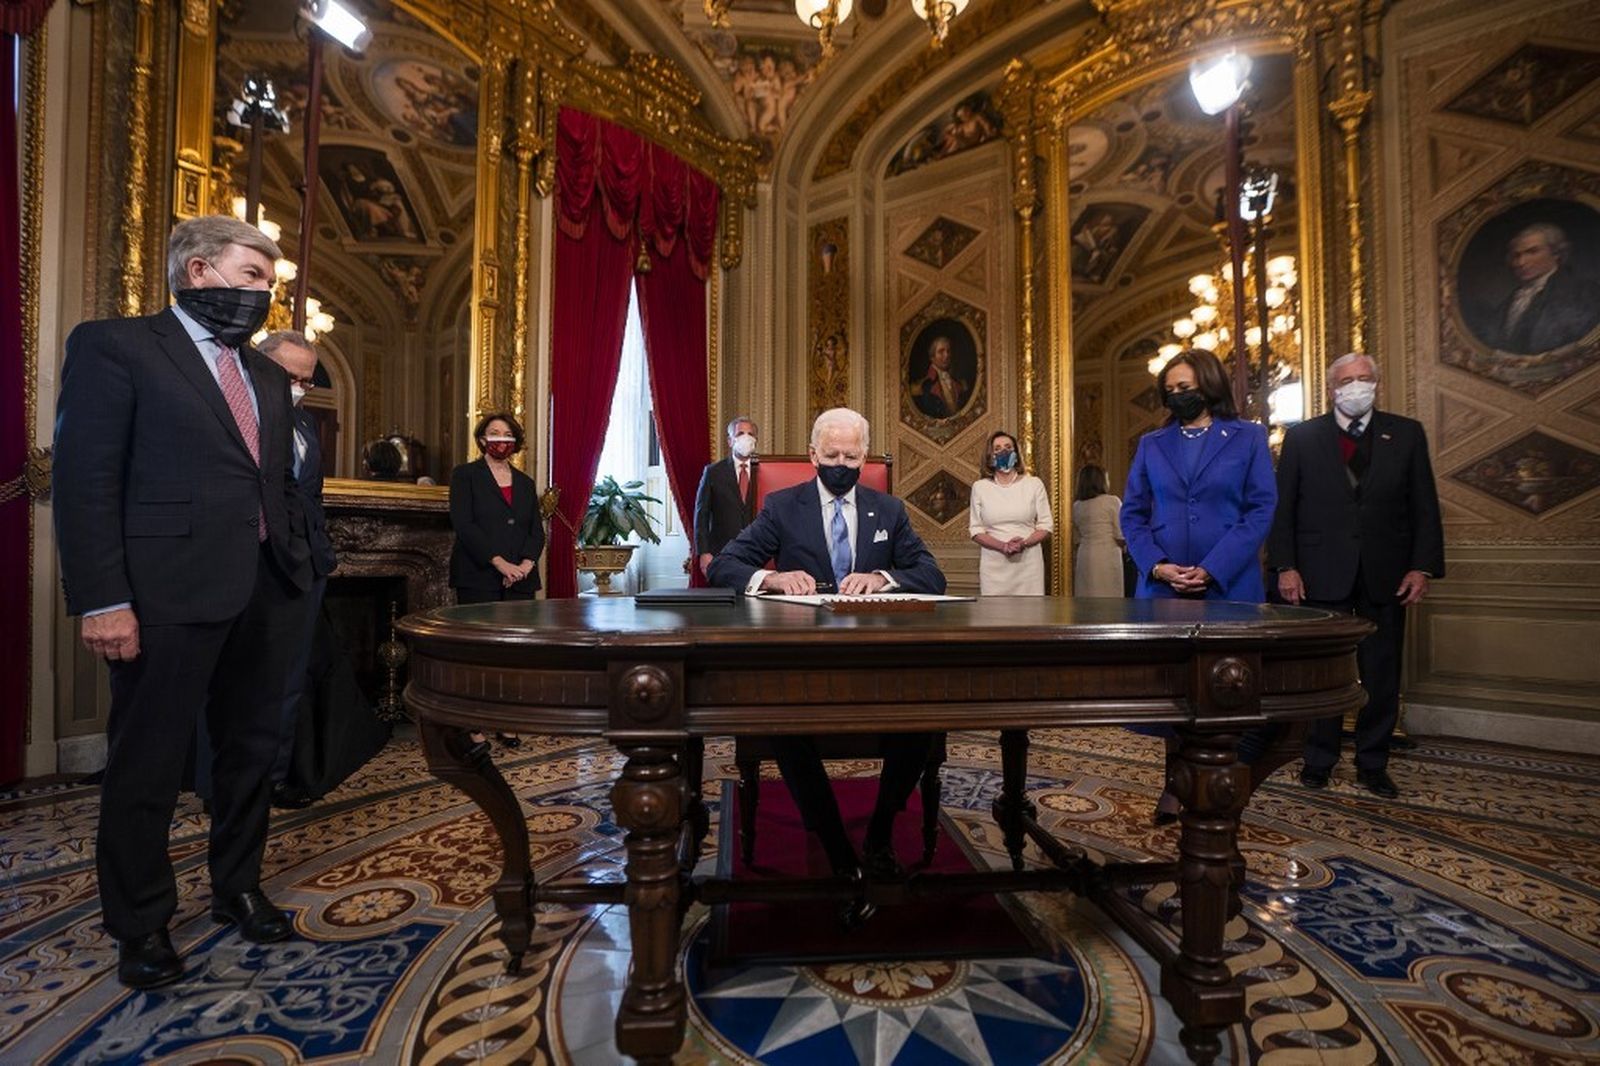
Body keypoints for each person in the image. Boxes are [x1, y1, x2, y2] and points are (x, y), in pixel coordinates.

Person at [53, 215, 313, 988]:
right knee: (150, 763)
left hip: (265, 589)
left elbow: (273, 481)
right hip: (164, 594)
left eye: (267, 283)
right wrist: (103, 599)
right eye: (250, 277)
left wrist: (295, 565)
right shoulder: (117, 347)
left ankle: (237, 886)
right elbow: (85, 481)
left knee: (249, 757)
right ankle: (140, 922)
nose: (261, 296)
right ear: (198, 271)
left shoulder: (266, 376)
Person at [707, 408, 945, 924]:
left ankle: (880, 834)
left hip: (879, 661)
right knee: (786, 726)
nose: (841, 464)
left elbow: (932, 574)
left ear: (866, 457)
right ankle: (840, 856)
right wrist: (769, 579)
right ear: (813, 456)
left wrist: (883, 577)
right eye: (832, 455)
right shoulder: (782, 507)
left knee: (925, 718)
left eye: (852, 456)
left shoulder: (889, 509)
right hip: (804, 662)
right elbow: (725, 564)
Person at [1269, 352, 1445, 799]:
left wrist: (1421, 566)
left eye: (1364, 378)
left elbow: (1424, 505)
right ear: (1332, 389)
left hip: (1386, 573)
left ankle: (1373, 762)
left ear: (1377, 384)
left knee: (1382, 674)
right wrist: (1285, 566)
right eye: (1347, 380)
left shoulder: (1406, 434)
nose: (1356, 385)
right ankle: (1318, 759)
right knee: (1324, 674)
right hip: (1318, 572)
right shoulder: (1303, 437)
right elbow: (1284, 507)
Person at [1121, 348, 1277, 822]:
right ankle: (1175, 784)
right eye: (1169, 390)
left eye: (1184, 388)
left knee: (1226, 689)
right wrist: (1157, 565)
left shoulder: (1248, 437)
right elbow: (1133, 513)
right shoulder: (1152, 444)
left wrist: (1213, 567)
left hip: (1228, 586)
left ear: (1207, 385)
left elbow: (1260, 509)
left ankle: (1223, 781)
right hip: (1164, 587)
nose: (1176, 396)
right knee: (1171, 693)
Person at [257, 331, 339, 808]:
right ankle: (225, 782)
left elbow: (312, 497)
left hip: (306, 566)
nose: (298, 388)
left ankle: (274, 776)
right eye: (289, 377)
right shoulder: (240, 420)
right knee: (239, 678)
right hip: (255, 562)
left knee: (290, 677)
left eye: (305, 381)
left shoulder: (307, 426)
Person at [448, 413, 545, 604]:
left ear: (515, 441)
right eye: (495, 433)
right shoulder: (464, 475)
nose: (502, 439)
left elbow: (536, 531)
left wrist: (525, 566)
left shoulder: (526, 483)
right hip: (478, 578)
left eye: (508, 434)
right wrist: (501, 564)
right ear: (483, 440)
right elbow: (464, 525)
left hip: (521, 581)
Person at [1482, 222, 1600, 354]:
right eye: (1516, 256)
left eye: (1532, 252)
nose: (1521, 262)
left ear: (1556, 253)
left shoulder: (1584, 292)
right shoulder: (1506, 304)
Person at [969, 430, 1053, 595]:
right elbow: (976, 530)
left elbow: (1046, 526)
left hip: (1028, 564)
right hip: (994, 566)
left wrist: (1023, 544)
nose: (1003, 452)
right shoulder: (980, 487)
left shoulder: (1034, 484)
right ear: (990, 456)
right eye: (997, 449)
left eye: (1008, 447)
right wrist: (1003, 546)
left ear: (1016, 453)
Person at [693, 416, 759, 581]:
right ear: (730, 441)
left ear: (755, 441)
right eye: (740, 433)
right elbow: (702, 515)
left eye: (750, 434)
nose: (746, 438)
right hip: (722, 552)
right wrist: (704, 552)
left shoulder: (764, 471)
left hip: (758, 552)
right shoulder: (713, 472)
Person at [1071, 464, 1124, 597]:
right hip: (1107, 555)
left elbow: (1076, 538)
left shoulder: (1076, 506)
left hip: (1084, 556)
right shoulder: (1112, 501)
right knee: (1109, 600)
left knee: (1086, 599)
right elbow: (1120, 535)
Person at [911, 335, 971, 419]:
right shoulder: (920, 387)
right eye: (941, 351)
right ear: (932, 357)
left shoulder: (961, 384)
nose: (946, 355)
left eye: (948, 351)